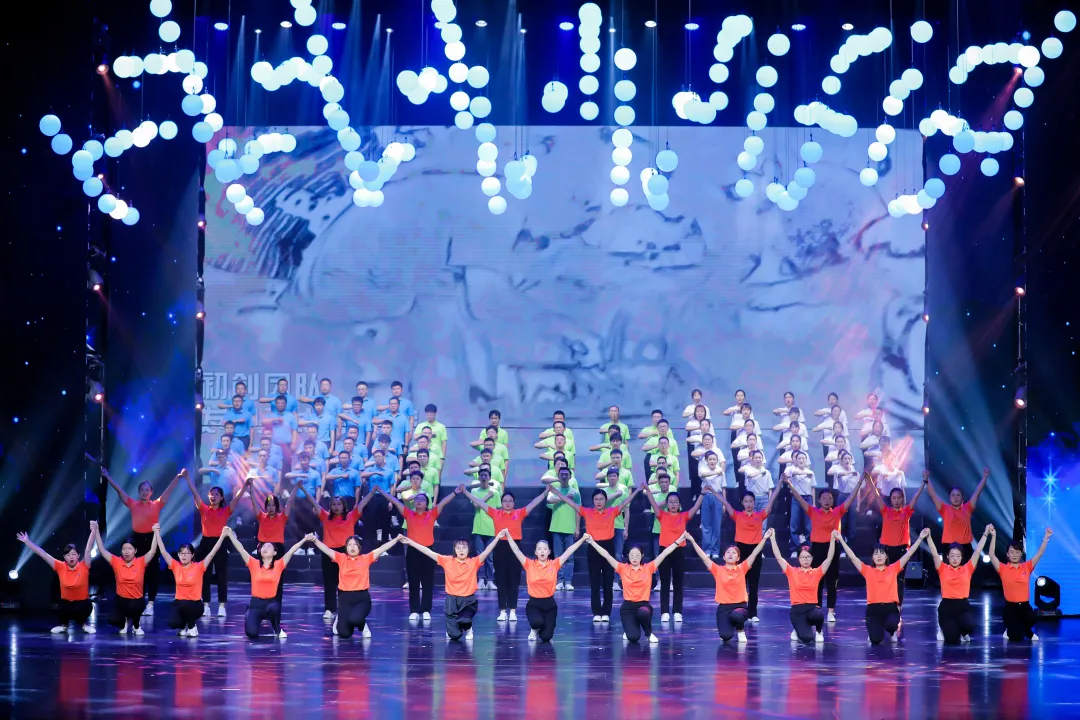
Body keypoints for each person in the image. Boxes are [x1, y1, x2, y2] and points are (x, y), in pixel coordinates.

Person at [546, 483, 644, 623]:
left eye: (601, 499)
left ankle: (606, 612)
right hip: (593, 547)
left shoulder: (612, 511)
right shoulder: (587, 512)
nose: (599, 502)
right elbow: (570, 503)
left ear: (606, 500)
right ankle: (597, 612)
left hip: (608, 548)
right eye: (596, 499)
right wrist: (556, 492)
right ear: (593, 501)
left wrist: (638, 490)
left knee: (608, 582)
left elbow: (626, 501)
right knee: (595, 582)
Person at [101, 467, 183, 617]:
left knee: (153, 572)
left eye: (147, 490)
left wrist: (177, 477)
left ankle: (150, 604)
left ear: (151, 492)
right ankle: (137, 600)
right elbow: (120, 491)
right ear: (139, 492)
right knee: (138, 572)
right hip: (137, 541)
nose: (144, 492)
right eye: (142, 490)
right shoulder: (133, 504)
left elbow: (168, 491)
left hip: (152, 540)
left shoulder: (157, 504)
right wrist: (107, 477)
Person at [461, 487, 548, 621]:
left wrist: (545, 492)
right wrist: (466, 492)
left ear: (514, 503)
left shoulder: (519, 513)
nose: (507, 503)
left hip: (515, 549)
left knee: (514, 581)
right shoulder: (495, 513)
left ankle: (512, 611)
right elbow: (479, 502)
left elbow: (533, 503)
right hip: (500, 548)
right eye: (505, 501)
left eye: (510, 501)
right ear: (501, 503)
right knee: (501, 581)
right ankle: (502, 611)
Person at [377, 484, 461, 621]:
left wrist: (455, 492)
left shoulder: (432, 514)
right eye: (417, 499)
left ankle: (426, 610)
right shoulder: (409, 514)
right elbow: (395, 501)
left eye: (422, 499)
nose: (419, 501)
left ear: (427, 504)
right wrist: (382, 491)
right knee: (413, 582)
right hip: (413, 551)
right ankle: (414, 610)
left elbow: (444, 502)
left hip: (428, 552)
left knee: (427, 582)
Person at [787, 477, 865, 621]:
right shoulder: (813, 512)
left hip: (833, 548)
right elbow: (799, 499)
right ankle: (816, 607)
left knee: (832, 580)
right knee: (817, 580)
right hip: (817, 549)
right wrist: (790, 484)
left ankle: (830, 611)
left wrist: (860, 482)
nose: (827, 500)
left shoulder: (838, 511)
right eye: (824, 498)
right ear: (819, 500)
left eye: (829, 498)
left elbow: (850, 498)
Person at [400, 532, 503, 641]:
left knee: (465, 621)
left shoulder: (474, 562)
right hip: (452, 600)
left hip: (468, 600)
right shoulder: (447, 561)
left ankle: (468, 628)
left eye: (464, 548)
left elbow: (487, 551)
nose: (461, 550)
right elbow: (428, 552)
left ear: (468, 550)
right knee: (454, 636)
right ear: (454, 550)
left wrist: (497, 538)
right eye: (458, 548)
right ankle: (454, 629)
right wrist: (411, 542)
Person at [835, 529, 930, 644]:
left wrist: (920, 538)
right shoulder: (867, 570)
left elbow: (908, 554)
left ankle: (892, 631)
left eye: (881, 553)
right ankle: (874, 629)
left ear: (886, 557)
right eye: (876, 554)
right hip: (873, 609)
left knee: (891, 624)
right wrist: (841, 540)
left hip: (890, 608)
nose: (879, 556)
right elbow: (852, 557)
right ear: (872, 558)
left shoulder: (893, 568)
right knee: (876, 640)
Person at [584, 535, 682, 643]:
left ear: (642, 556)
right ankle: (630, 628)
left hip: (644, 606)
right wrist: (592, 542)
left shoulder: (648, 568)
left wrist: (678, 541)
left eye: (637, 555)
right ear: (628, 556)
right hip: (628, 608)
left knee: (643, 613)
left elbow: (664, 553)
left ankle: (649, 634)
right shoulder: (622, 568)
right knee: (633, 638)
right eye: (632, 555)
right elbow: (606, 555)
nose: (634, 558)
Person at [297, 487, 374, 619]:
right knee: (329, 582)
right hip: (329, 553)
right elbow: (314, 502)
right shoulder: (325, 517)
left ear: (344, 506)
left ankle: (344, 608)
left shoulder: (351, 517)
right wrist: (304, 490)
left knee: (345, 582)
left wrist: (372, 492)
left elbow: (362, 504)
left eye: (339, 504)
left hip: (345, 553)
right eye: (334, 504)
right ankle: (329, 609)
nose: (336, 507)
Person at [223, 527, 310, 639]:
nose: (265, 548)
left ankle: (277, 628)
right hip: (255, 604)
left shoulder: (279, 564)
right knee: (252, 634)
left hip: (270, 603)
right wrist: (230, 535)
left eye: (269, 546)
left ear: (275, 552)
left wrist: (305, 539)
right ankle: (249, 614)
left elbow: (292, 550)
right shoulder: (253, 563)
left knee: (274, 607)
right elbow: (241, 549)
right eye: (263, 546)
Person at [311, 533, 402, 639]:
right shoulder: (341, 558)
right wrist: (314, 540)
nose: (352, 547)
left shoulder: (366, 558)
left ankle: (363, 626)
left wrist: (396, 539)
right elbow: (326, 549)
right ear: (346, 548)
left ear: (359, 547)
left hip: (361, 598)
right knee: (344, 634)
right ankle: (341, 617)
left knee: (355, 619)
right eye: (349, 545)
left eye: (355, 544)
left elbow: (382, 548)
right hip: (345, 599)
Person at [685, 530, 771, 643]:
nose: (731, 554)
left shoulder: (742, 568)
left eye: (734, 553)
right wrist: (692, 541)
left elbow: (754, 553)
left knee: (737, 616)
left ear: (738, 558)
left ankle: (740, 630)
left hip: (740, 607)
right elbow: (704, 557)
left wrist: (764, 538)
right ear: (724, 557)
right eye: (728, 552)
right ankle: (728, 625)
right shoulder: (718, 570)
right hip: (724, 608)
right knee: (726, 636)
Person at [503, 532, 590, 642]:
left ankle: (544, 628)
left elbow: (569, 551)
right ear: (535, 552)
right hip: (534, 604)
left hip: (549, 605)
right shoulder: (529, 564)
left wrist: (582, 539)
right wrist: (508, 536)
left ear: (549, 552)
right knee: (537, 622)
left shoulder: (554, 564)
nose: (542, 551)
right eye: (539, 549)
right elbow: (516, 550)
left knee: (546, 637)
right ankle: (534, 629)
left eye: (545, 549)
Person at [182, 472, 246, 618]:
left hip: (221, 543)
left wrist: (246, 485)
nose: (214, 496)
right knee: (205, 575)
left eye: (217, 494)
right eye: (212, 493)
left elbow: (237, 498)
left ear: (221, 497)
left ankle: (222, 606)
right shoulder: (204, 509)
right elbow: (195, 493)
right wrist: (187, 477)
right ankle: (206, 605)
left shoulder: (225, 511)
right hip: (206, 543)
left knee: (222, 575)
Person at [642, 487, 709, 623]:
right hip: (664, 552)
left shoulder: (684, 516)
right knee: (665, 584)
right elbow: (653, 503)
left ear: (679, 504)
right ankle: (665, 612)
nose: (673, 504)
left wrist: (702, 493)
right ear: (667, 504)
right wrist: (648, 491)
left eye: (676, 502)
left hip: (679, 552)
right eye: (670, 502)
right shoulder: (662, 515)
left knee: (678, 584)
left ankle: (677, 612)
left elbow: (695, 508)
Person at [717, 486, 782, 622]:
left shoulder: (760, 515)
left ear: (754, 502)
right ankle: (738, 610)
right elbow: (725, 503)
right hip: (741, 551)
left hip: (755, 551)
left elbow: (772, 500)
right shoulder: (737, 515)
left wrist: (781, 481)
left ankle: (752, 614)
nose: (748, 504)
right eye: (746, 501)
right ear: (742, 502)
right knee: (739, 583)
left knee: (753, 585)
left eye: (751, 501)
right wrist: (712, 490)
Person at [16, 526, 95, 634]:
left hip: (82, 604)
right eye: (68, 554)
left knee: (86, 605)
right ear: (64, 557)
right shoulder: (60, 566)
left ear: (78, 556)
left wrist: (94, 530)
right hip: (66, 604)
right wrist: (27, 542)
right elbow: (42, 554)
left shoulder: (84, 566)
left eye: (74, 554)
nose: (71, 557)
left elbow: (88, 549)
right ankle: (64, 626)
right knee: (61, 604)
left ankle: (84, 625)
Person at [153, 523, 227, 637]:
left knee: (186, 605)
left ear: (192, 555)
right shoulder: (175, 565)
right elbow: (163, 552)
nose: (184, 556)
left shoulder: (199, 566)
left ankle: (192, 627)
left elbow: (212, 553)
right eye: (181, 553)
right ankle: (183, 626)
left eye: (187, 553)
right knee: (172, 623)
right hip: (179, 602)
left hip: (195, 604)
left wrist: (222, 536)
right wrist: (156, 532)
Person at [869, 470, 928, 609]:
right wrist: (869, 480)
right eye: (894, 498)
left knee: (899, 580)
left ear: (902, 499)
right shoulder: (886, 511)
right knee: (884, 578)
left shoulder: (906, 511)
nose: (896, 500)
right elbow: (876, 495)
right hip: (886, 550)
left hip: (902, 550)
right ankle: (883, 603)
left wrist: (924, 482)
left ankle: (898, 607)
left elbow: (916, 497)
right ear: (890, 499)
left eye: (899, 498)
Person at [766, 529, 836, 643]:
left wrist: (832, 540)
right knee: (807, 638)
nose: (805, 559)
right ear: (798, 558)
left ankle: (819, 631)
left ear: (812, 558)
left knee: (818, 614)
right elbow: (779, 557)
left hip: (812, 609)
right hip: (797, 610)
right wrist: (772, 538)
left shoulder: (817, 572)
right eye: (803, 557)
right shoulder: (792, 571)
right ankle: (798, 628)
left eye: (808, 557)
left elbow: (829, 559)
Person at [925, 525, 992, 644]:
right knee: (952, 640)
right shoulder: (942, 568)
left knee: (970, 625)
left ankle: (963, 631)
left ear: (961, 557)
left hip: (963, 606)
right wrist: (929, 537)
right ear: (947, 556)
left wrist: (986, 533)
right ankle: (945, 629)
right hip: (947, 607)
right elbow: (934, 554)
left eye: (958, 556)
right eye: (952, 555)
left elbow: (977, 551)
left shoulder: (968, 568)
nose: (955, 559)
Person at [88, 520, 155, 634]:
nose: (126, 552)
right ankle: (124, 623)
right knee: (113, 619)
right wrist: (96, 530)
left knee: (137, 606)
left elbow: (152, 551)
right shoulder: (117, 561)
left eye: (129, 549)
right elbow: (102, 550)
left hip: (137, 600)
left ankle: (136, 626)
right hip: (121, 600)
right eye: (124, 549)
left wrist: (156, 533)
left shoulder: (141, 562)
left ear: (135, 551)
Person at [989, 525, 1053, 642]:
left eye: (1017, 552)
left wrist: (1046, 537)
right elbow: (992, 556)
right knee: (1016, 637)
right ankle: (1014, 630)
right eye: (1012, 552)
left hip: (1025, 607)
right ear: (1007, 554)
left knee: (1032, 617)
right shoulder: (1003, 568)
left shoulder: (1026, 567)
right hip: (1010, 608)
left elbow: (1039, 554)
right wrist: (993, 536)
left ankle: (1026, 630)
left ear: (1021, 553)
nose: (1014, 554)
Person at [247, 484, 300, 603]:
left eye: (273, 505)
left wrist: (296, 488)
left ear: (277, 507)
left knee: (278, 578)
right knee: (260, 576)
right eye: (268, 505)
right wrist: (251, 489)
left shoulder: (282, 517)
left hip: (277, 549)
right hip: (263, 548)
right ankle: (260, 602)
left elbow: (289, 502)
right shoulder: (261, 516)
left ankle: (276, 605)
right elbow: (254, 503)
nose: (271, 508)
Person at [926, 468, 990, 564]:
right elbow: (933, 495)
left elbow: (977, 492)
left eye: (958, 495)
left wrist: (984, 477)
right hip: (948, 546)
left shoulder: (968, 507)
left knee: (966, 572)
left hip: (965, 547)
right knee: (949, 572)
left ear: (962, 497)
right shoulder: (944, 508)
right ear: (949, 497)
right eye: (953, 495)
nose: (955, 497)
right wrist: (927, 480)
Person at [542, 466, 581, 591]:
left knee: (569, 557)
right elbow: (549, 500)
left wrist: (577, 527)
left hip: (570, 528)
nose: (564, 476)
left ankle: (568, 581)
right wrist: (564, 498)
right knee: (558, 556)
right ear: (558, 477)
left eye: (566, 474)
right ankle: (559, 581)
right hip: (556, 527)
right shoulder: (554, 490)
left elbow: (578, 511)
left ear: (570, 477)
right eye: (561, 474)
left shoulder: (575, 492)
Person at [468, 468, 500, 590]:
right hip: (478, 527)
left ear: (489, 477)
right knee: (480, 556)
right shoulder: (474, 491)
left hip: (491, 528)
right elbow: (476, 505)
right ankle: (481, 580)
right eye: (481, 475)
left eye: (486, 475)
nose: (483, 477)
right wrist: (487, 496)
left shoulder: (495, 492)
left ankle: (490, 580)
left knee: (490, 556)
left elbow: (498, 510)